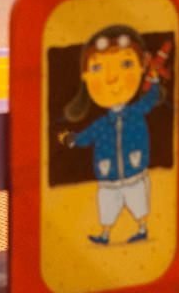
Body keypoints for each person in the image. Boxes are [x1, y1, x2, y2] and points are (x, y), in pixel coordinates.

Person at [59, 25, 168, 245]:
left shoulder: (135, 112)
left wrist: (155, 80)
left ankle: (142, 229)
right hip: (108, 175)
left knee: (138, 201)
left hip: (135, 172)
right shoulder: (102, 124)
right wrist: (72, 140)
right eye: (97, 68)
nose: (111, 78)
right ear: (85, 76)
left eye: (126, 64)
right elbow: (86, 136)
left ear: (141, 67)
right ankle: (105, 234)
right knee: (108, 204)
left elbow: (149, 99)